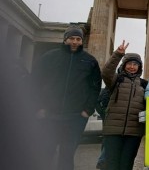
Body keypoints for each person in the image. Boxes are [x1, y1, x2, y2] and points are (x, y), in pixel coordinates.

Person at [32, 25, 102, 170]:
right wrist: (38, 107)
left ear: (82, 41)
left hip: (75, 117)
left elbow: (95, 87)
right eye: (71, 38)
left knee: (67, 155)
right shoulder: (49, 57)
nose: (75, 42)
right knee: (45, 153)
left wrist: (87, 110)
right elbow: (34, 83)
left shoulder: (90, 61)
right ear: (65, 40)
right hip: (49, 115)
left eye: (78, 39)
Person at [101, 40, 147, 170]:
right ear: (124, 65)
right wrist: (117, 54)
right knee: (112, 164)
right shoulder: (116, 80)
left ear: (139, 67)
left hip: (134, 132)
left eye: (135, 64)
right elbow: (105, 73)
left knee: (127, 164)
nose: (132, 67)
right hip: (113, 130)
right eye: (129, 64)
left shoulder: (144, 84)